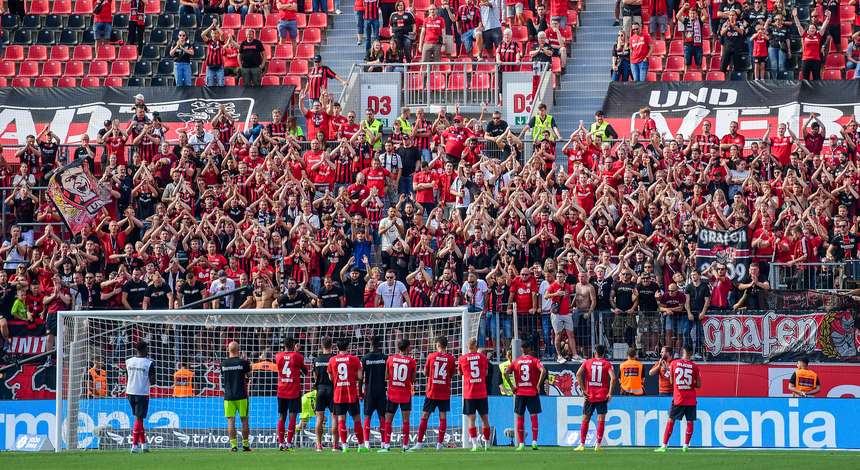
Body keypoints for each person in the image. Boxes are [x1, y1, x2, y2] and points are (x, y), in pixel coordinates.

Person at [411, 336, 455, 451]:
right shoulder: (451, 359)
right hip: (444, 392)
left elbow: (426, 373)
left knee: (425, 416)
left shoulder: (431, 356)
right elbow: (451, 374)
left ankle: (419, 443)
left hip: (432, 392)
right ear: (446, 346)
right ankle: (439, 445)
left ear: (438, 345)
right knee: (443, 417)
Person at [655, 346, 701, 453]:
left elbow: (671, 381)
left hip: (678, 398)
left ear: (681, 353)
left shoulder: (675, 363)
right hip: (690, 399)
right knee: (690, 422)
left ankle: (664, 446)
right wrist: (690, 383)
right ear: (691, 353)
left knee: (671, 420)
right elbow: (698, 384)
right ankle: (685, 446)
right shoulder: (695, 366)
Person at [327, 338, 369, 452]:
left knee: (341, 420)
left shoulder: (332, 360)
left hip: (338, 394)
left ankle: (345, 446)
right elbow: (360, 377)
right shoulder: (354, 359)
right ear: (348, 347)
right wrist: (351, 376)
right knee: (356, 419)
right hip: (351, 393)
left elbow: (331, 378)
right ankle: (361, 446)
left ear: (337, 347)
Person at [574, 344, 616, 451]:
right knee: (601, 419)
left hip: (589, 395)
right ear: (604, 353)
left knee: (585, 419)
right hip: (602, 396)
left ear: (595, 352)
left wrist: (583, 390)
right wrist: (610, 393)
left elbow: (578, 374)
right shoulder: (607, 364)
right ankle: (598, 444)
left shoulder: (588, 362)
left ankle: (582, 444)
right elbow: (613, 378)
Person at [506, 342, 546, 451]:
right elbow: (543, 370)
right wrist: (538, 385)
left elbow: (506, 372)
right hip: (532, 393)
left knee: (520, 418)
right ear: (529, 349)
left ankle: (521, 444)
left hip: (520, 393)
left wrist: (512, 386)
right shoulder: (534, 360)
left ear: (521, 350)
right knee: (534, 417)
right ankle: (534, 442)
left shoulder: (516, 361)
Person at [380, 338, 416, 452]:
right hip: (405, 394)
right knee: (405, 420)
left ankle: (386, 445)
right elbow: (413, 380)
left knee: (388, 420)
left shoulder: (390, 359)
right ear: (407, 348)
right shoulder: (411, 361)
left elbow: (386, 376)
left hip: (392, 394)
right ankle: (405, 446)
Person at [275, 337, 308, 451]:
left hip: (281, 390)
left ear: (284, 345)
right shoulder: (297, 356)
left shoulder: (278, 356)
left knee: (281, 416)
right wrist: (296, 352)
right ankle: (289, 443)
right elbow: (305, 371)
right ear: (294, 345)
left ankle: (281, 443)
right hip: (294, 391)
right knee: (292, 416)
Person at [458, 338, 491, 451]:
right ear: (476, 346)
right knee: (485, 419)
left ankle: (475, 444)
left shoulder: (462, 359)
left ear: (468, 346)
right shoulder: (483, 358)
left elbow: (460, 373)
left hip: (469, 393)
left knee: (471, 419)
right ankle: (487, 444)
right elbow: (486, 373)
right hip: (481, 392)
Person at [222, 341, 252, 452]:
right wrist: (247, 363)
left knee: (231, 421)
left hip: (229, 396)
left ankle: (233, 446)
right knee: (244, 420)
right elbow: (249, 375)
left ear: (228, 350)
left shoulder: (223, 364)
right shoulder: (243, 362)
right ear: (238, 350)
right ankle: (245, 445)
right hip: (242, 395)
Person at [126, 341, 155, 454]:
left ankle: (144, 445)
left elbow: (127, 377)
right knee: (138, 419)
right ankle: (134, 445)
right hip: (141, 393)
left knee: (139, 418)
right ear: (144, 349)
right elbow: (153, 381)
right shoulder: (149, 363)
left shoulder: (128, 361)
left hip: (129, 392)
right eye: (147, 349)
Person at [361, 335, 387, 449]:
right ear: (380, 344)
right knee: (382, 417)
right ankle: (383, 443)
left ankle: (366, 443)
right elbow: (388, 376)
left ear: (370, 344)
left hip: (369, 391)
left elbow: (361, 377)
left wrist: (359, 392)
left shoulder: (365, 358)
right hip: (381, 391)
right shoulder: (385, 358)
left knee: (367, 416)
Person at [793, 7, 831, 80]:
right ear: (808, 30)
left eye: (813, 28)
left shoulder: (818, 35)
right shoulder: (804, 35)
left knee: (816, 79)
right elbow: (798, 25)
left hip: (816, 60)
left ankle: (817, 91)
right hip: (805, 60)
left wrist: (828, 17)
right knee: (805, 79)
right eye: (811, 28)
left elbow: (824, 26)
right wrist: (795, 16)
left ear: (816, 30)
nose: (812, 29)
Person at [313, 337, 336, 451]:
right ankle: (335, 445)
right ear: (332, 345)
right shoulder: (334, 358)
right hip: (332, 389)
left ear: (322, 346)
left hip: (320, 389)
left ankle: (318, 445)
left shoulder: (316, 360)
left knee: (319, 418)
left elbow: (315, 377)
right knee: (334, 417)